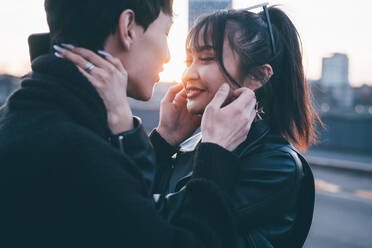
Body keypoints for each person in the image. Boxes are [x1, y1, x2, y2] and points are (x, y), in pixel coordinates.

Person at [0, 0, 257, 247]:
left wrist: (161, 140)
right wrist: (216, 156)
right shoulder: (74, 150)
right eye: (166, 33)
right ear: (128, 28)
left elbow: (130, 215)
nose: (168, 56)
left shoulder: (26, 116)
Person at [60, 4, 319, 248]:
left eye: (206, 59)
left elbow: (144, 225)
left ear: (258, 76)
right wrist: (163, 140)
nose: (187, 75)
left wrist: (214, 152)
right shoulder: (197, 146)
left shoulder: (276, 165)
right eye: (188, 61)